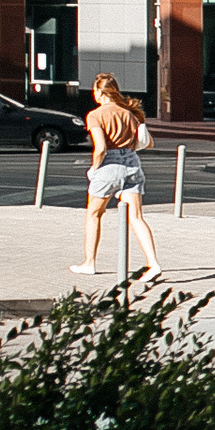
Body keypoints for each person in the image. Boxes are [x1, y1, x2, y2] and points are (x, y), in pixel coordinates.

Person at [72, 73, 163, 281]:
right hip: (132, 164)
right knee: (137, 217)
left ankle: (89, 263)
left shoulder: (95, 115)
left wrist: (94, 169)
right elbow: (147, 143)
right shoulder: (129, 114)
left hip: (109, 166)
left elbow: (101, 148)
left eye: (94, 91)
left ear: (99, 93)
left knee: (94, 214)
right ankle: (153, 263)